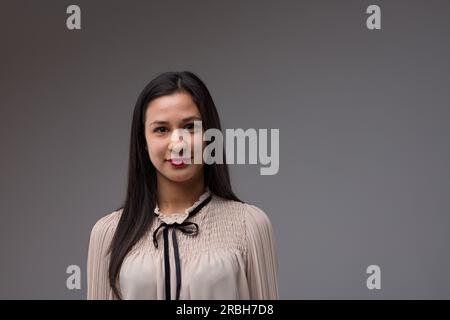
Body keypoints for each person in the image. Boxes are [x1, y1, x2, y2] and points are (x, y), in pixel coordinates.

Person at [86, 71, 279, 300]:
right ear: (143, 142)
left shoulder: (249, 225)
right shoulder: (108, 232)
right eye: (161, 129)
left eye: (190, 127)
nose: (178, 144)